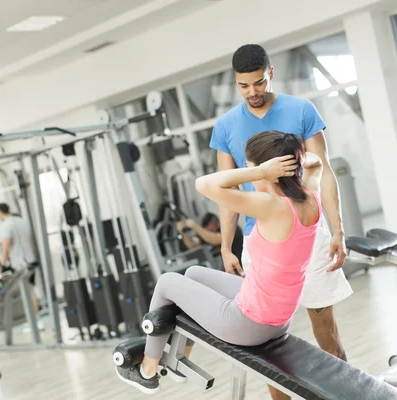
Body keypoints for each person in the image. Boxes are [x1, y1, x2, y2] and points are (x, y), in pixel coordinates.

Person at [116, 131, 323, 395]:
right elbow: (316, 164)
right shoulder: (310, 198)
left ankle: (147, 370)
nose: (252, 175)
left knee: (168, 281)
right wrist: (298, 161)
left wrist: (259, 171)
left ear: (270, 171)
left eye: (250, 168)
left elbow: (203, 184)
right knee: (193, 273)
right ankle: (179, 357)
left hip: (249, 325)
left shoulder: (271, 205)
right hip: (278, 320)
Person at [209, 44, 352, 397]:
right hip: (260, 242)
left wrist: (338, 231)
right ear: (236, 83)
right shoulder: (226, 126)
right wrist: (227, 247)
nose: (252, 92)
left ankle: (347, 392)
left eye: (258, 82)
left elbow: (325, 172)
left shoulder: (301, 109)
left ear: (270, 72)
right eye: (244, 86)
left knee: (326, 330)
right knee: (269, 346)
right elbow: (227, 193)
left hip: (307, 234)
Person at [0, 203, 39, 313]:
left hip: (20, 264)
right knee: (31, 290)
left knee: (25, 292)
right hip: (31, 259)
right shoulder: (22, 221)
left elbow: (5, 248)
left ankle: (33, 317)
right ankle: (36, 316)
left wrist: (2, 266)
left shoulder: (6, 225)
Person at [176, 213, 243, 268]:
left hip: (241, 265)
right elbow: (192, 245)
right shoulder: (209, 234)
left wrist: (195, 227)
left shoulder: (232, 229)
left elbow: (215, 239)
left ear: (216, 223)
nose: (208, 231)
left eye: (209, 228)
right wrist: (183, 233)